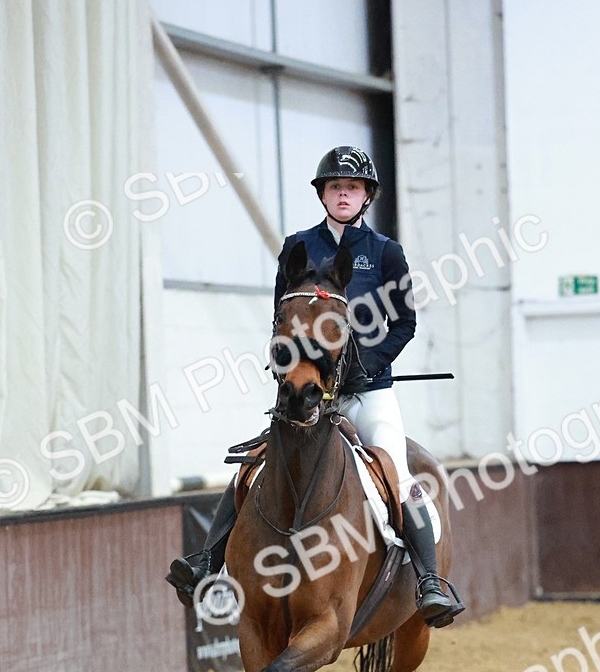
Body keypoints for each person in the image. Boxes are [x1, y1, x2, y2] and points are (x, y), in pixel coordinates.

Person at [167, 145, 464, 628]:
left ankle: (429, 581)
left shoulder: (386, 253)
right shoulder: (298, 247)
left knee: (398, 474)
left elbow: (405, 322)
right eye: (334, 187)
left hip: (368, 392)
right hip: (307, 389)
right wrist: (290, 366)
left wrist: (368, 362)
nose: (343, 194)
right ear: (323, 194)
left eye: (352, 188)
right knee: (256, 465)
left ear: (366, 196)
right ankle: (207, 560)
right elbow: (279, 316)